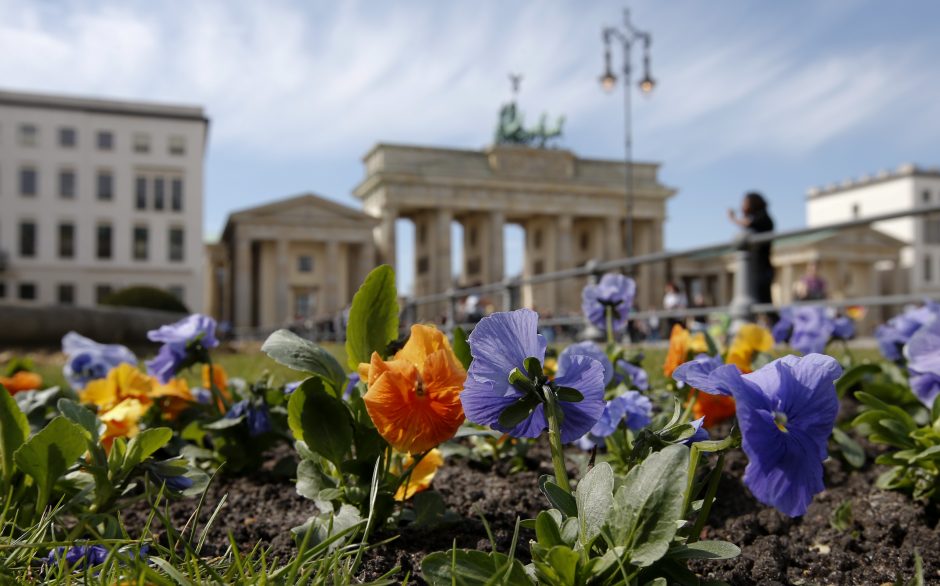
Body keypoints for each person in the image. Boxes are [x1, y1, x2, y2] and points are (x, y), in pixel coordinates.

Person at [728, 192, 775, 315]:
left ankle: (780, 329)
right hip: (754, 267)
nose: (742, 206)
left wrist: (733, 219)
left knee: (764, 301)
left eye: (744, 203)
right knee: (759, 302)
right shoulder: (758, 218)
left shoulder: (763, 218)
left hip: (762, 267)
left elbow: (749, 224)